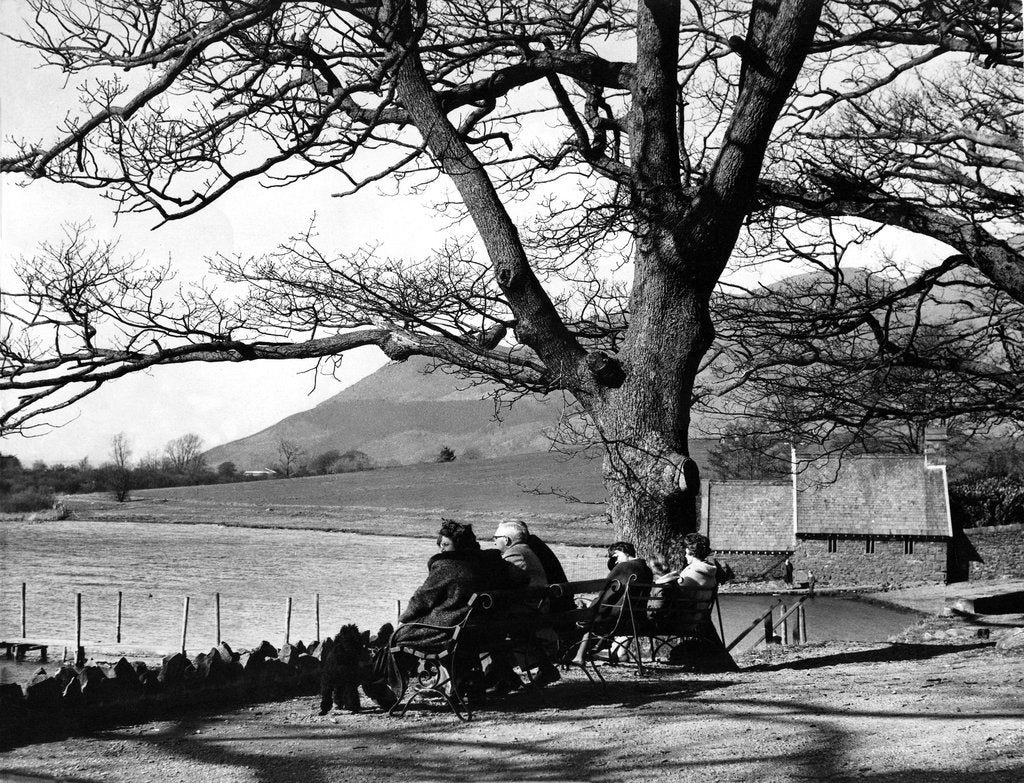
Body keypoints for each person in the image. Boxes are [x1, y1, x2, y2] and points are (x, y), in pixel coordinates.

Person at [572, 541, 653, 665]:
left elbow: (606, 595)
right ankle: (605, 650)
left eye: (616, 556)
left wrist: (591, 609)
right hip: (636, 619)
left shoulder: (624, 567)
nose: (615, 561)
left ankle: (579, 656)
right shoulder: (647, 570)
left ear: (623, 551)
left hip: (617, 619)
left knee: (588, 616)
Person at [493, 521, 547, 589]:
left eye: (495, 538)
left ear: (506, 540)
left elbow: (504, 582)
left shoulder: (515, 554)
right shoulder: (525, 549)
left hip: (529, 598)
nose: (494, 543)